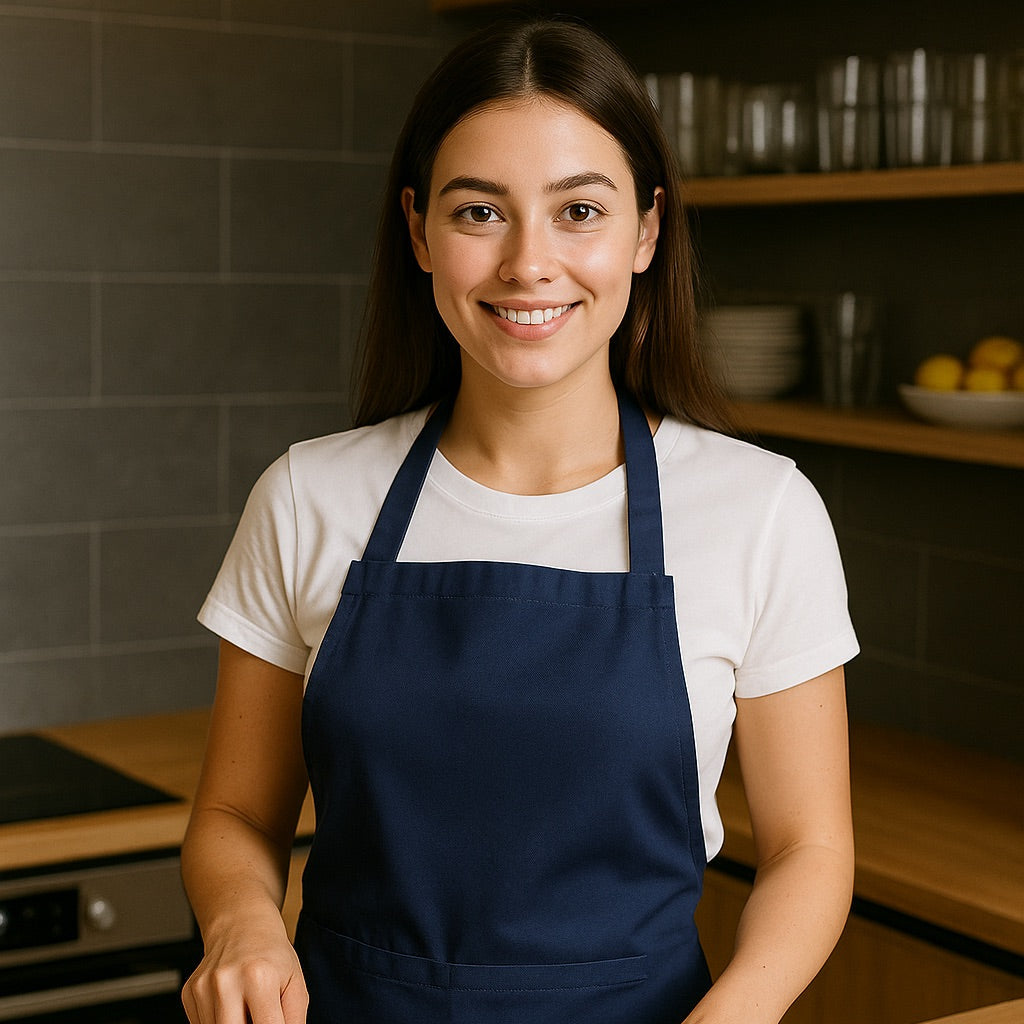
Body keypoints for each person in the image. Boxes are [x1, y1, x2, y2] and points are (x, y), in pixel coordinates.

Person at [181, 15, 858, 1024]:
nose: (529, 264)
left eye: (579, 209)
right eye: (479, 213)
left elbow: (810, 846)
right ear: (418, 231)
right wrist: (242, 923)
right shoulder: (309, 495)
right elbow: (234, 812)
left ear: (645, 230)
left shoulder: (761, 510)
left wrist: (738, 1012)